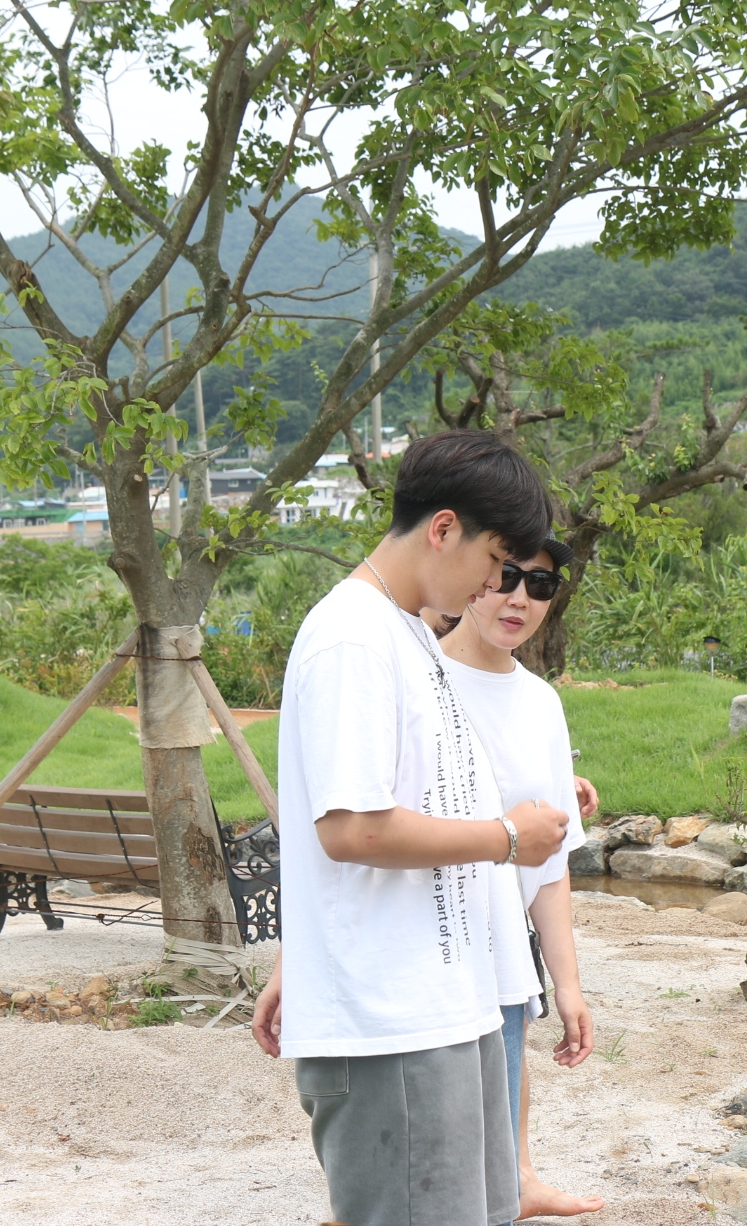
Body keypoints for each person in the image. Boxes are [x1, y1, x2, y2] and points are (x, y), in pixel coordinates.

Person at [250, 430, 570, 1226]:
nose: (497, 583)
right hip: (387, 1024)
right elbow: (353, 830)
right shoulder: (352, 638)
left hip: (443, 1006)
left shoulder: (407, 633)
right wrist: (506, 839)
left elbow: (417, 793)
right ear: (443, 529)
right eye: (495, 560)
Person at [437, 540, 606, 1219]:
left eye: (539, 585)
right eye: (506, 576)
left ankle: (519, 1178)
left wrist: (568, 985)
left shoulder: (540, 702)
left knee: (505, 1081)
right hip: (429, 948)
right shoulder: (420, 680)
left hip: (506, 953)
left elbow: (549, 864)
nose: (518, 598)